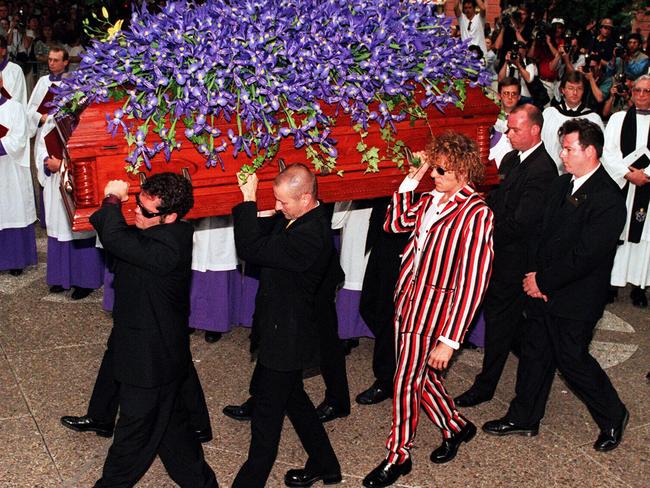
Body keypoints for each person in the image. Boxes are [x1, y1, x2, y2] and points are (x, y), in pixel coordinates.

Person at [483, 118, 629, 453]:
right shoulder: (563, 185)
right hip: (542, 288)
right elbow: (539, 233)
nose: (562, 154)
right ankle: (524, 418)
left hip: (575, 297)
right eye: (562, 147)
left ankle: (613, 414)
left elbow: (585, 256)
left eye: (568, 148)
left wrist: (544, 281)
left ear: (590, 151)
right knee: (535, 354)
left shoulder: (607, 198)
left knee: (572, 360)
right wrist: (534, 276)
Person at [363, 132, 494, 488]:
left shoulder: (476, 214)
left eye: (440, 170)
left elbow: (473, 282)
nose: (434, 175)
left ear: (463, 174)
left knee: (405, 380)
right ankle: (456, 426)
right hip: (407, 302)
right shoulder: (429, 199)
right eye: (433, 168)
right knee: (421, 379)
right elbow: (393, 224)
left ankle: (398, 455)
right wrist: (416, 173)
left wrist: (450, 340)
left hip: (437, 313)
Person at [90, 173, 217, 487]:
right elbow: (117, 238)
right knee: (175, 435)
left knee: (130, 442)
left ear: (170, 216)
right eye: (136, 203)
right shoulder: (156, 234)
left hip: (150, 364)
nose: (136, 212)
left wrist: (112, 198)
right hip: (157, 355)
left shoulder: (169, 246)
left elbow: (116, 238)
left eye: (146, 212)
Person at [231, 164, 341, 488]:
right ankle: (326, 464)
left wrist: (249, 199)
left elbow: (250, 249)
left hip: (286, 340)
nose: (278, 207)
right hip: (281, 330)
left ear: (305, 197)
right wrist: (265, 213)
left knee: (265, 423)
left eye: (283, 202)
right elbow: (264, 243)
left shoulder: (310, 235)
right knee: (295, 400)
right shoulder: (301, 218)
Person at [455, 104, 557, 408]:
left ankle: (485, 386)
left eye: (515, 129)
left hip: (516, 262)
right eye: (509, 128)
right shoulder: (512, 158)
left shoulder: (543, 169)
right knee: (509, 326)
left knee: (501, 324)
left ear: (534, 130)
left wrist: (482, 232)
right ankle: (540, 364)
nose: (509, 134)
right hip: (500, 255)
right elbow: (495, 200)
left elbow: (521, 222)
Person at [30, 46, 104, 299]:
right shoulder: (52, 120)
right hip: (54, 182)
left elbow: (89, 154)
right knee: (58, 228)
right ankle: (60, 277)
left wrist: (61, 164)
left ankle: (85, 280)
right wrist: (46, 163)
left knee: (79, 228)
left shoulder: (83, 122)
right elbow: (41, 145)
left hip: (76, 183)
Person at [355, 198, 409, 406]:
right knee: (368, 305)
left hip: (404, 240)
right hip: (383, 234)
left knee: (387, 312)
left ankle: (387, 379)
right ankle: (401, 359)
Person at [603, 75, 650, 307]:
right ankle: (611, 283)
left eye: (646, 91)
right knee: (617, 233)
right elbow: (608, 152)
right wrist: (628, 173)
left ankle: (638, 287)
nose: (641, 95)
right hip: (622, 184)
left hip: (646, 188)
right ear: (631, 93)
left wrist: (645, 175)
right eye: (637, 90)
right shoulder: (618, 119)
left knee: (644, 238)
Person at [0, 72, 37, 276]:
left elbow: (20, 138)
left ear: (1, 82)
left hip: (10, 168)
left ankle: (15, 259)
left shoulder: (15, 108)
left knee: (11, 210)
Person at [541, 71, 604, 172]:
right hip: (548, 172)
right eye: (570, 88)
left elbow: (598, 152)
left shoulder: (593, 118)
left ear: (584, 91)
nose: (575, 93)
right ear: (563, 90)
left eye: (579, 89)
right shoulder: (549, 114)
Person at [489, 76, 522, 167]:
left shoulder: (524, 120)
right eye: (506, 93)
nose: (510, 97)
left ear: (519, 97)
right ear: (499, 96)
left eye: (514, 94)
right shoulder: (489, 118)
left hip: (514, 167)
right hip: (492, 166)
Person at [0, 36, 27, 105]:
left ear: (3, 51)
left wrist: (1, 89)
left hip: (9, 114)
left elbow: (17, 99)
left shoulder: (15, 70)